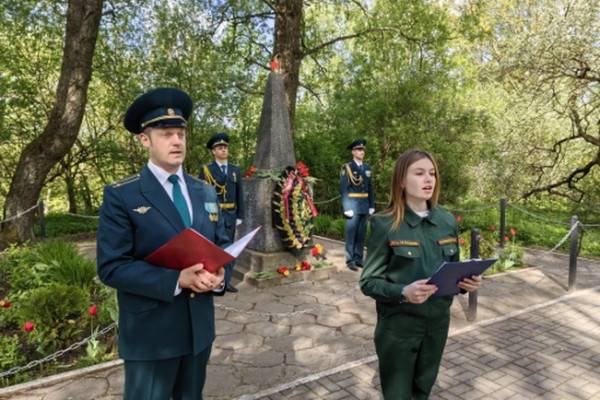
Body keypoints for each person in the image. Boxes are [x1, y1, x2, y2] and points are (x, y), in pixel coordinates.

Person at [97, 87, 229, 400]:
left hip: (199, 332)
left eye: (181, 133)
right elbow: (112, 267)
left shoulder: (205, 192)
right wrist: (176, 279)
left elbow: (222, 244)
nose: (177, 141)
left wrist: (221, 276)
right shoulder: (122, 195)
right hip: (152, 337)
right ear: (145, 140)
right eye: (166, 133)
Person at [359, 149, 481, 400]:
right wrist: (403, 291)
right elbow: (368, 282)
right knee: (398, 395)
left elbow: (453, 271)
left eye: (432, 173)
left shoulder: (446, 220)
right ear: (401, 181)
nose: (429, 179)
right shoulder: (385, 224)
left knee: (422, 390)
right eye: (419, 173)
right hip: (398, 328)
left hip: (437, 325)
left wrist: (466, 283)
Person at [198, 132, 244, 292]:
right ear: (213, 151)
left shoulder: (235, 170)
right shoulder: (206, 170)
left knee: (229, 248)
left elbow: (240, 194)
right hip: (213, 213)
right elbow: (202, 194)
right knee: (213, 247)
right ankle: (210, 278)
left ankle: (227, 280)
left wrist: (240, 215)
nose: (223, 149)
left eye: (225, 147)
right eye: (219, 147)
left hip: (231, 214)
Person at [339, 139, 375, 271]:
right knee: (351, 234)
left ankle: (359, 258)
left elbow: (370, 187)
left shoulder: (367, 168)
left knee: (361, 234)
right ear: (353, 152)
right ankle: (350, 260)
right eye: (359, 150)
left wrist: (372, 205)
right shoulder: (347, 168)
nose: (362, 152)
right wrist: (346, 207)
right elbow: (343, 189)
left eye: (363, 150)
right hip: (352, 206)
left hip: (364, 205)